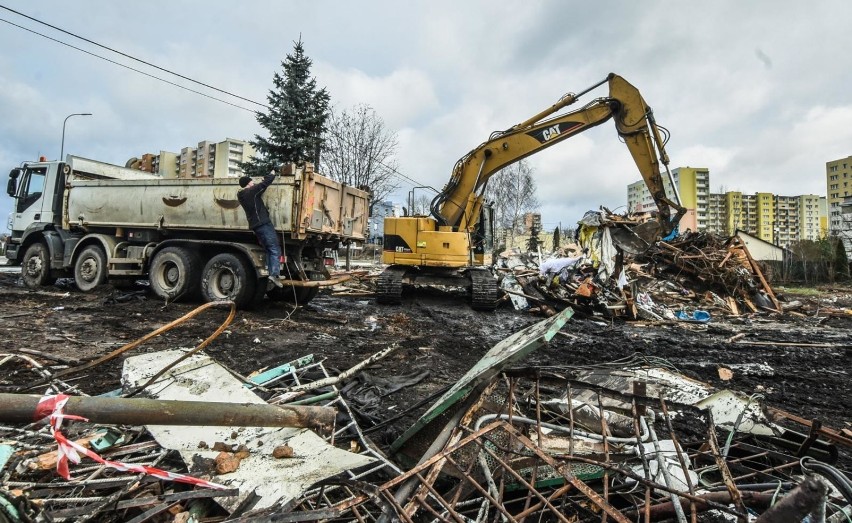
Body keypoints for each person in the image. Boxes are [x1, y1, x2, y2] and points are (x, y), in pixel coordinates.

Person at [238, 169, 283, 287]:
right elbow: (264, 184)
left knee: (268, 248)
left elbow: (258, 188)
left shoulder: (243, 195)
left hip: (256, 226)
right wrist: (272, 174)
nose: (253, 183)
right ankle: (274, 275)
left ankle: (270, 272)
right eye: (251, 182)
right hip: (263, 224)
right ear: (248, 184)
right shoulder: (251, 192)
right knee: (274, 248)